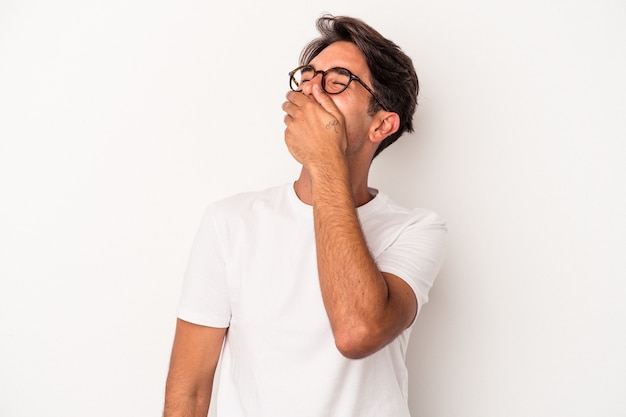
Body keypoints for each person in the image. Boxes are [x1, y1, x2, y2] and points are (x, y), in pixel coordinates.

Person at [164, 15, 447, 417]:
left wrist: (324, 159)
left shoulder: (417, 230)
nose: (311, 89)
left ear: (382, 124)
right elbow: (190, 392)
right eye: (308, 76)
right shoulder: (229, 221)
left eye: (337, 80)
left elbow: (357, 331)